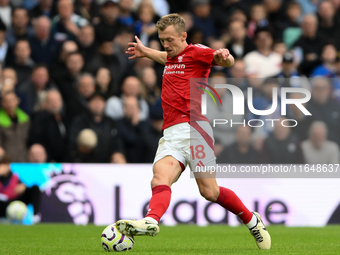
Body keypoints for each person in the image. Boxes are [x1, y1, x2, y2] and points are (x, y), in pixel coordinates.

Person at [115, 14, 271, 250]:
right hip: (171, 133)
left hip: (195, 128)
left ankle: (252, 220)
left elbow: (224, 62)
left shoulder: (197, 52)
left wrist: (225, 58)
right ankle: (151, 220)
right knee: (159, 178)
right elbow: (166, 58)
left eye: (169, 40)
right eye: (162, 40)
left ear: (183, 36)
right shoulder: (170, 56)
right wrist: (146, 51)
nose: (166, 45)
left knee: (210, 192)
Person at [0, 154, 41, 223]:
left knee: (35, 187)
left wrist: (23, 186)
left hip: (14, 200)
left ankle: (35, 216)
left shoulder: (14, 176)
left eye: (5, 164)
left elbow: (22, 186)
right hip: (3, 204)